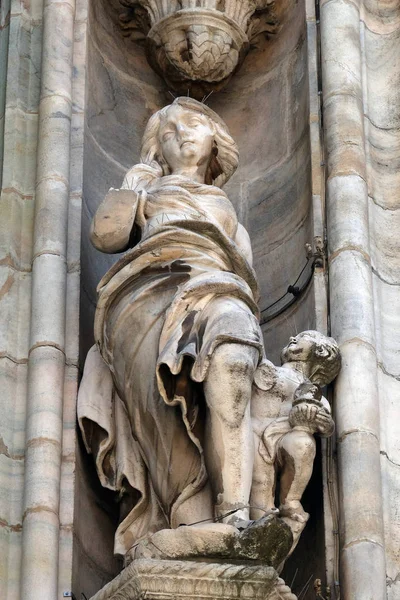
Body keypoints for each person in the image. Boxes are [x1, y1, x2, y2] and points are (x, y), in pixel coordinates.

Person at [78, 97, 264, 558]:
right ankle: (187, 517)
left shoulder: (229, 215)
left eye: (194, 126)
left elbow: (247, 282)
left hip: (216, 285)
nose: (182, 135)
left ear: (215, 142)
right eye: (169, 131)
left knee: (235, 358)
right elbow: (106, 236)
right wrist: (132, 187)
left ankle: (236, 516)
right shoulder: (148, 194)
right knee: (159, 410)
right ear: (156, 148)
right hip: (145, 296)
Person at [250, 330, 340, 524]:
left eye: (302, 338)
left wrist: (317, 419)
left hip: (285, 439)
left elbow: (327, 425)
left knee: (303, 444)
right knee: (260, 486)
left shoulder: (318, 397)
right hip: (253, 434)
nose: (292, 338)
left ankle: (290, 501)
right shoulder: (267, 368)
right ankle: (259, 522)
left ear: (322, 351)